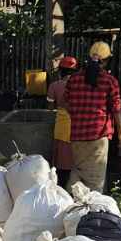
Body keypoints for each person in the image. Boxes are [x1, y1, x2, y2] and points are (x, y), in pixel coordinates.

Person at [63, 41, 121, 191]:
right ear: (106, 60)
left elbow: (66, 102)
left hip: (77, 134)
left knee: (79, 171)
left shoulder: (74, 79)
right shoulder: (110, 81)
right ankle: (92, 209)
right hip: (98, 135)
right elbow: (116, 109)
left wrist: (78, 115)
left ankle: (69, 203)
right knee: (95, 180)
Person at [46, 55, 79, 185]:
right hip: (78, 124)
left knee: (61, 158)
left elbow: (50, 107)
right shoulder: (80, 86)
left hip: (62, 125)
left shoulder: (54, 86)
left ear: (60, 71)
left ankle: (60, 185)